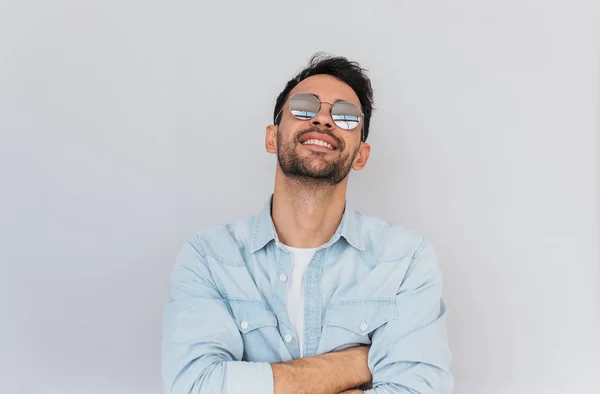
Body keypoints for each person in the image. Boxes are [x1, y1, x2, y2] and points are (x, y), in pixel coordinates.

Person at [161, 53, 453, 394]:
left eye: (345, 116)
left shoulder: (406, 260)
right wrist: (360, 362)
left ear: (361, 155)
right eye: (303, 107)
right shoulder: (209, 257)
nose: (324, 120)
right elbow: (194, 386)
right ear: (272, 137)